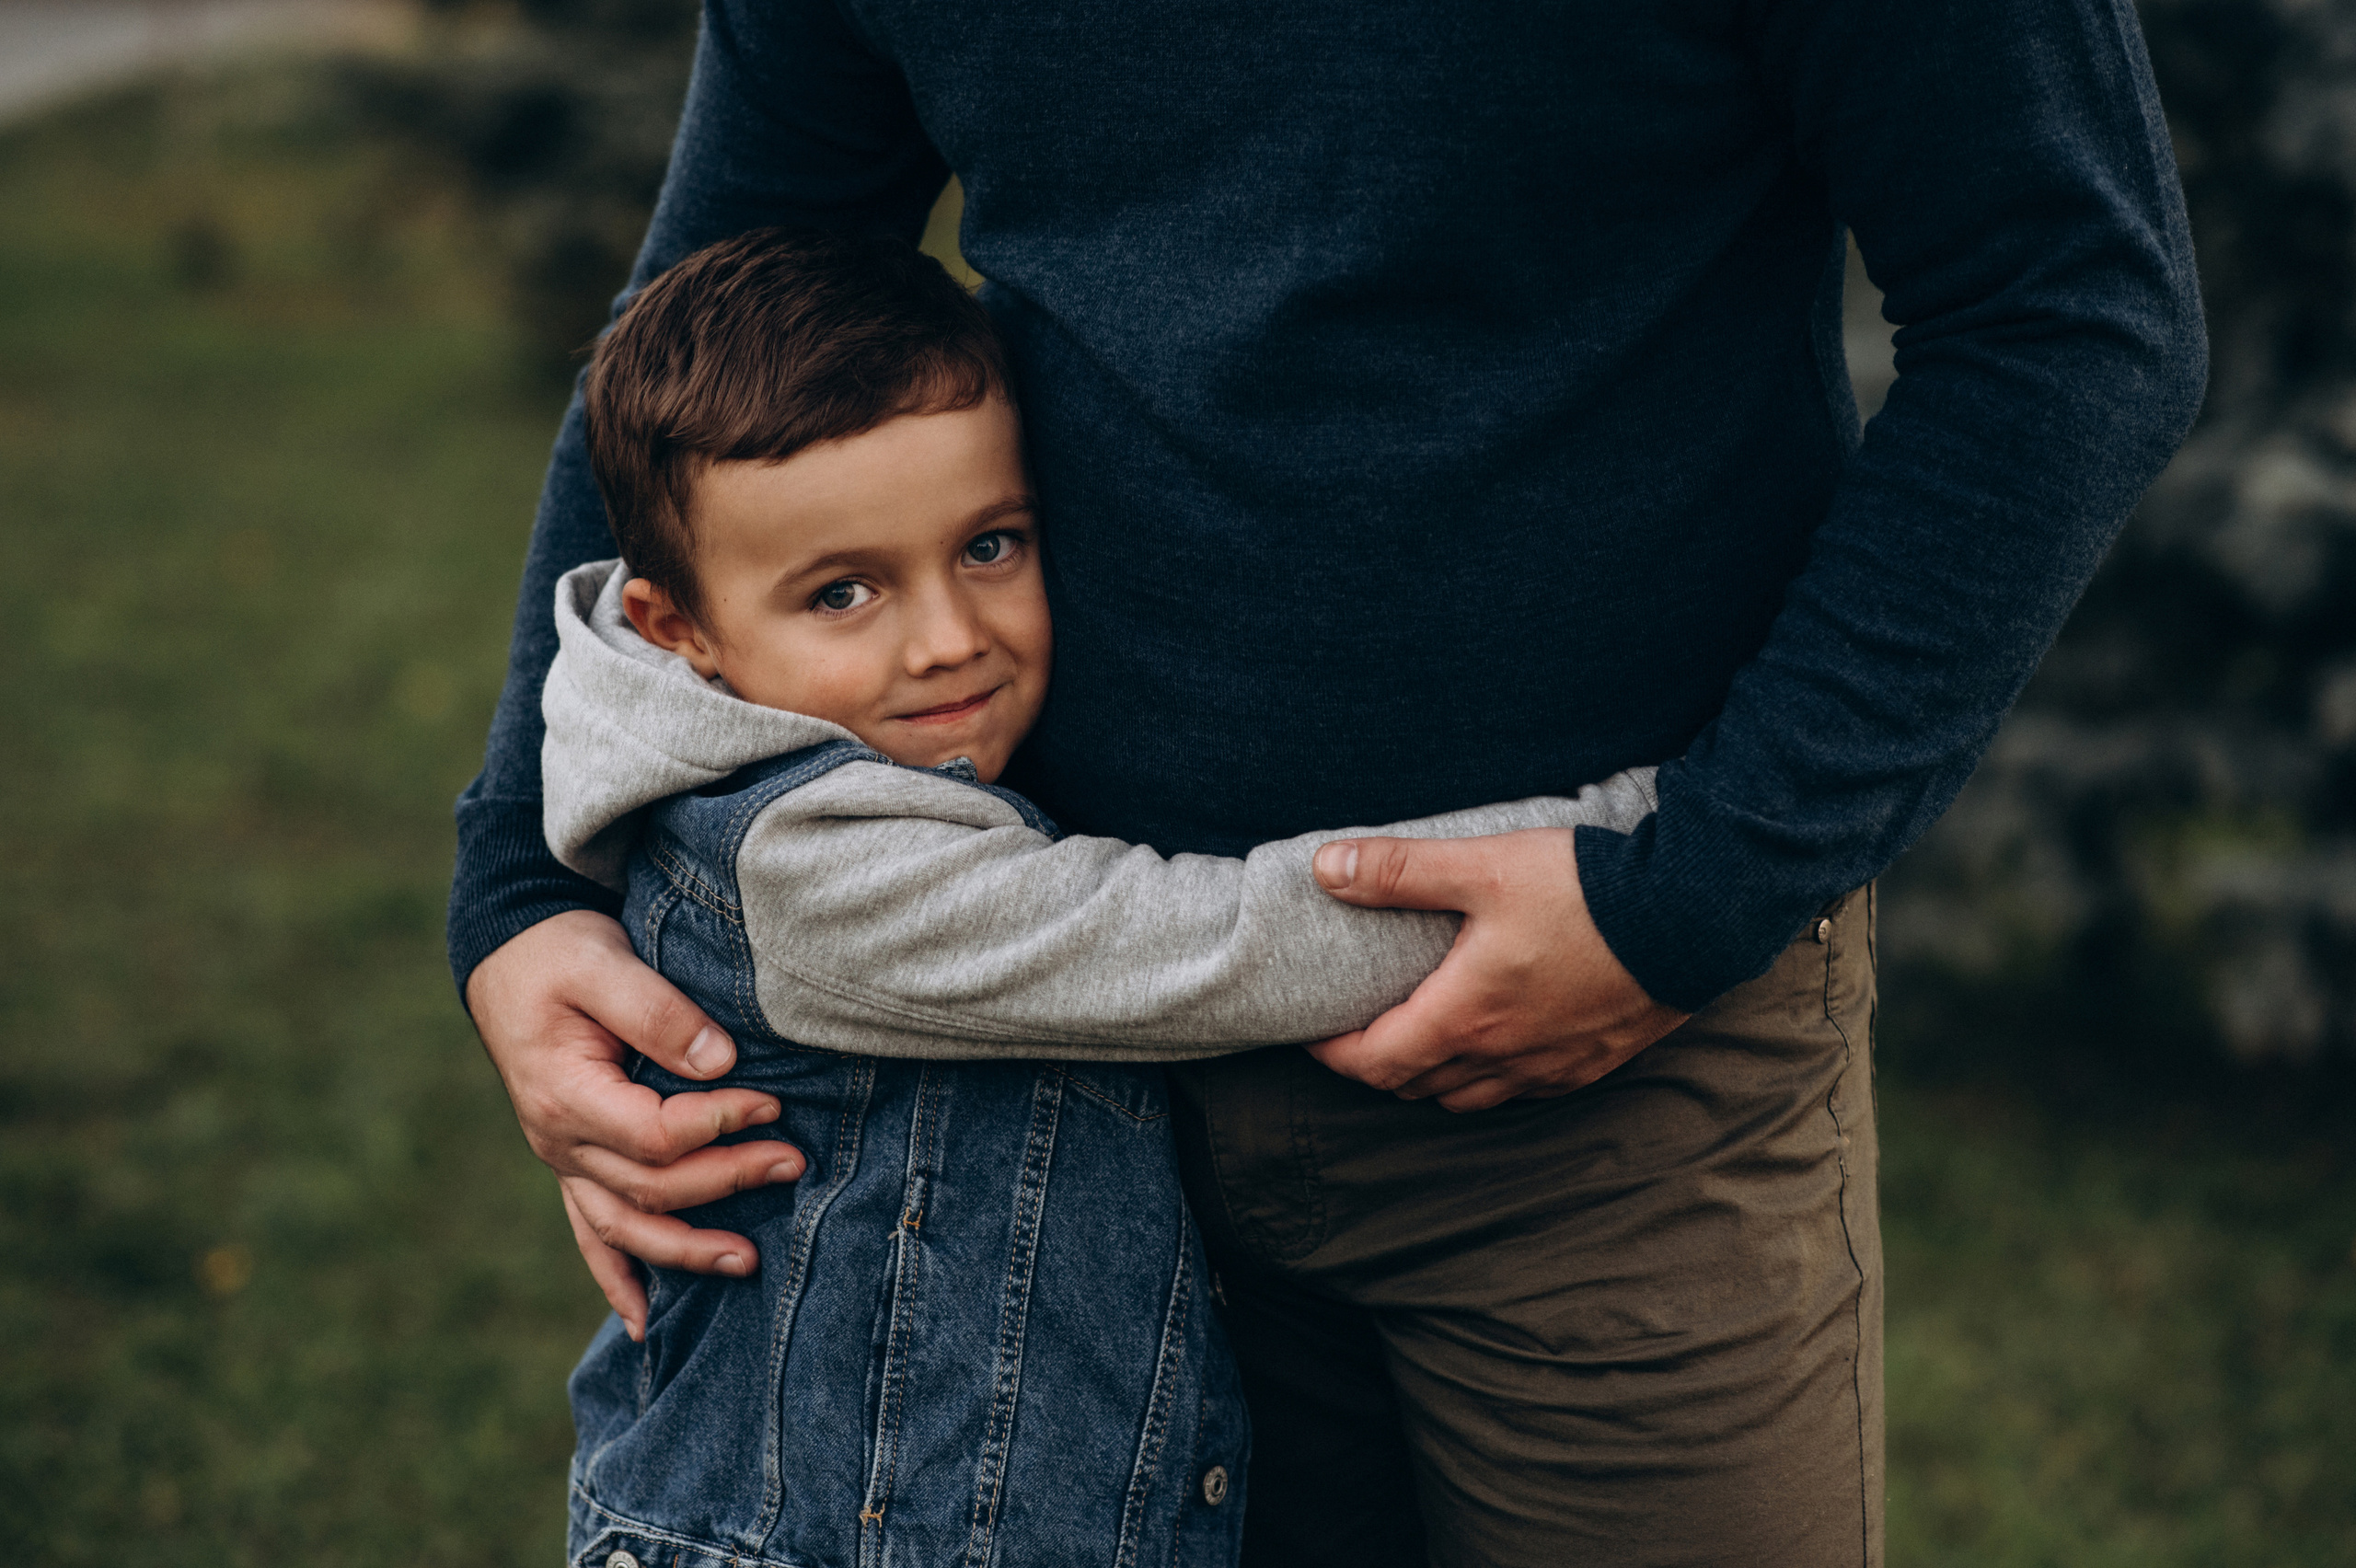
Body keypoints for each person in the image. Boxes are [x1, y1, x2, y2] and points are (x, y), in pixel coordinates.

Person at [451, 3, 2208, 1562]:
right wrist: (522, 894)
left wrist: (1689, 890)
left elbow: (2070, 305)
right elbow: (694, 345)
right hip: (1037, 1112)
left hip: (1607, 1079)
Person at [549, 225, 1657, 1568]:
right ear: (681, 632)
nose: (950, 636)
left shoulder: (779, 748)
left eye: (992, 546)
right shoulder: (815, 863)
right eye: (843, 593)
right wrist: (1628, 848)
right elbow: (1223, 949)